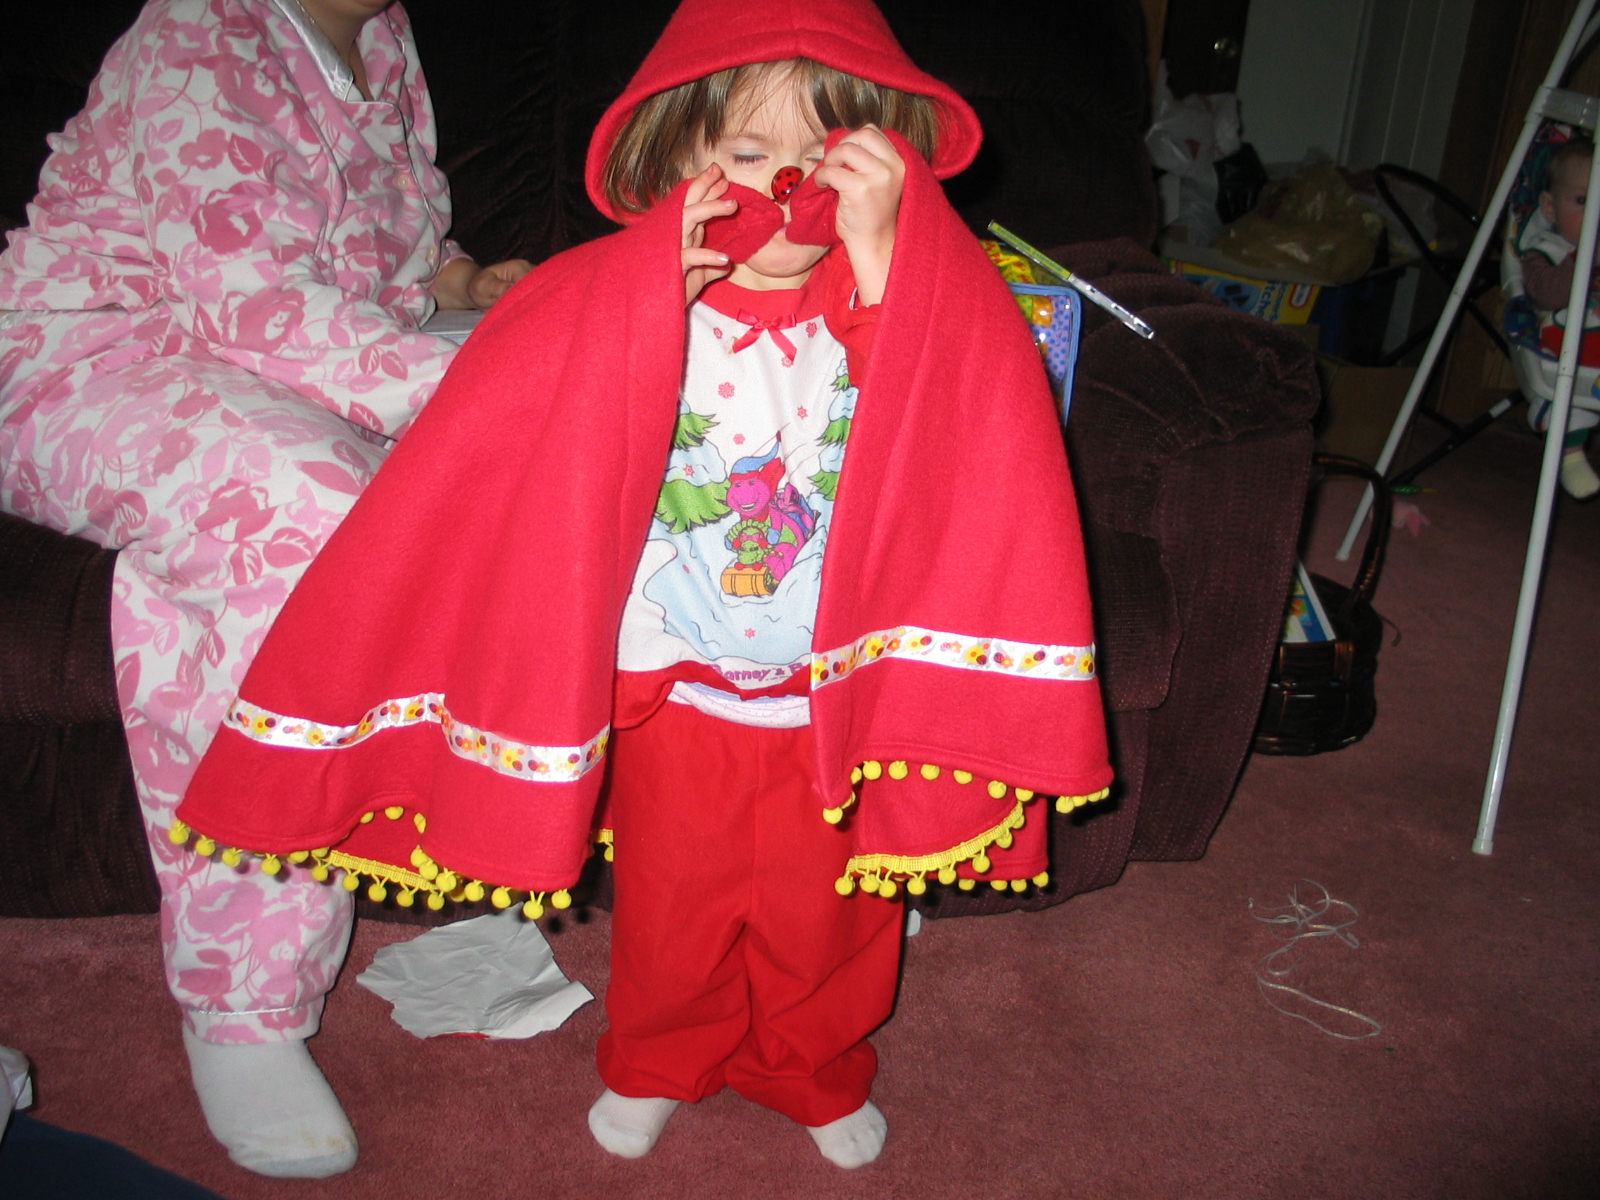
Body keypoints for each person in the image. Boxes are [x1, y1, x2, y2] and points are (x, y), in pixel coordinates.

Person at [175, 0, 1113, 1170]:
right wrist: (641, 299)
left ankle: (811, 1065)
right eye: (748, 152)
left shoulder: (912, 300)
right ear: (674, 164)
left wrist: (886, 258)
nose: (789, 186)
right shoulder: (617, 295)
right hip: (675, 692)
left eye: (829, 154)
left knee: (833, 913)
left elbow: (965, 425)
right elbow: (516, 432)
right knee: (674, 907)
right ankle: (658, 1058)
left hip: (828, 697)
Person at [0, 0, 530, 1179]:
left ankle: (466, 822)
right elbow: (248, 300)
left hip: (268, 356)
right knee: (299, 511)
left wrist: (461, 281)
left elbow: (395, 241)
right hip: (98, 352)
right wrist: (484, 391)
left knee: (540, 462)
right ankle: (242, 1002)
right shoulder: (200, 28)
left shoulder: (383, 42)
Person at [1518, 135, 1600, 499]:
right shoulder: (1546, 250)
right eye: (1583, 201)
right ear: (1550, 208)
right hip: (1563, 349)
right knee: (1564, 404)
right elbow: (1546, 294)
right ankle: (1570, 455)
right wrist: (1583, 258)